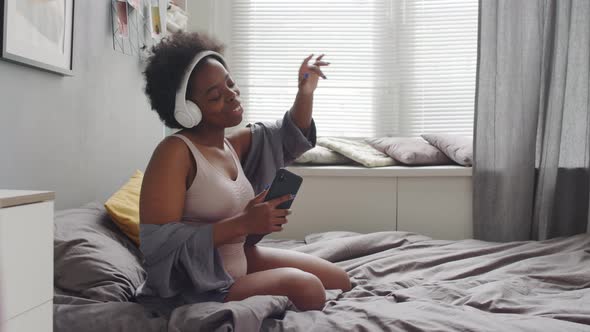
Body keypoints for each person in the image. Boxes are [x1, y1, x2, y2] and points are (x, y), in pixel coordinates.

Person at [139, 32, 351, 312]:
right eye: (215, 96)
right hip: (198, 284)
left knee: (340, 280)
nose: (231, 95)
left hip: (239, 258)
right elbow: (159, 246)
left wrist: (305, 93)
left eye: (230, 83)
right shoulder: (174, 153)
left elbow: (288, 134)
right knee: (308, 287)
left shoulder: (231, 145)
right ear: (188, 111)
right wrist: (243, 223)